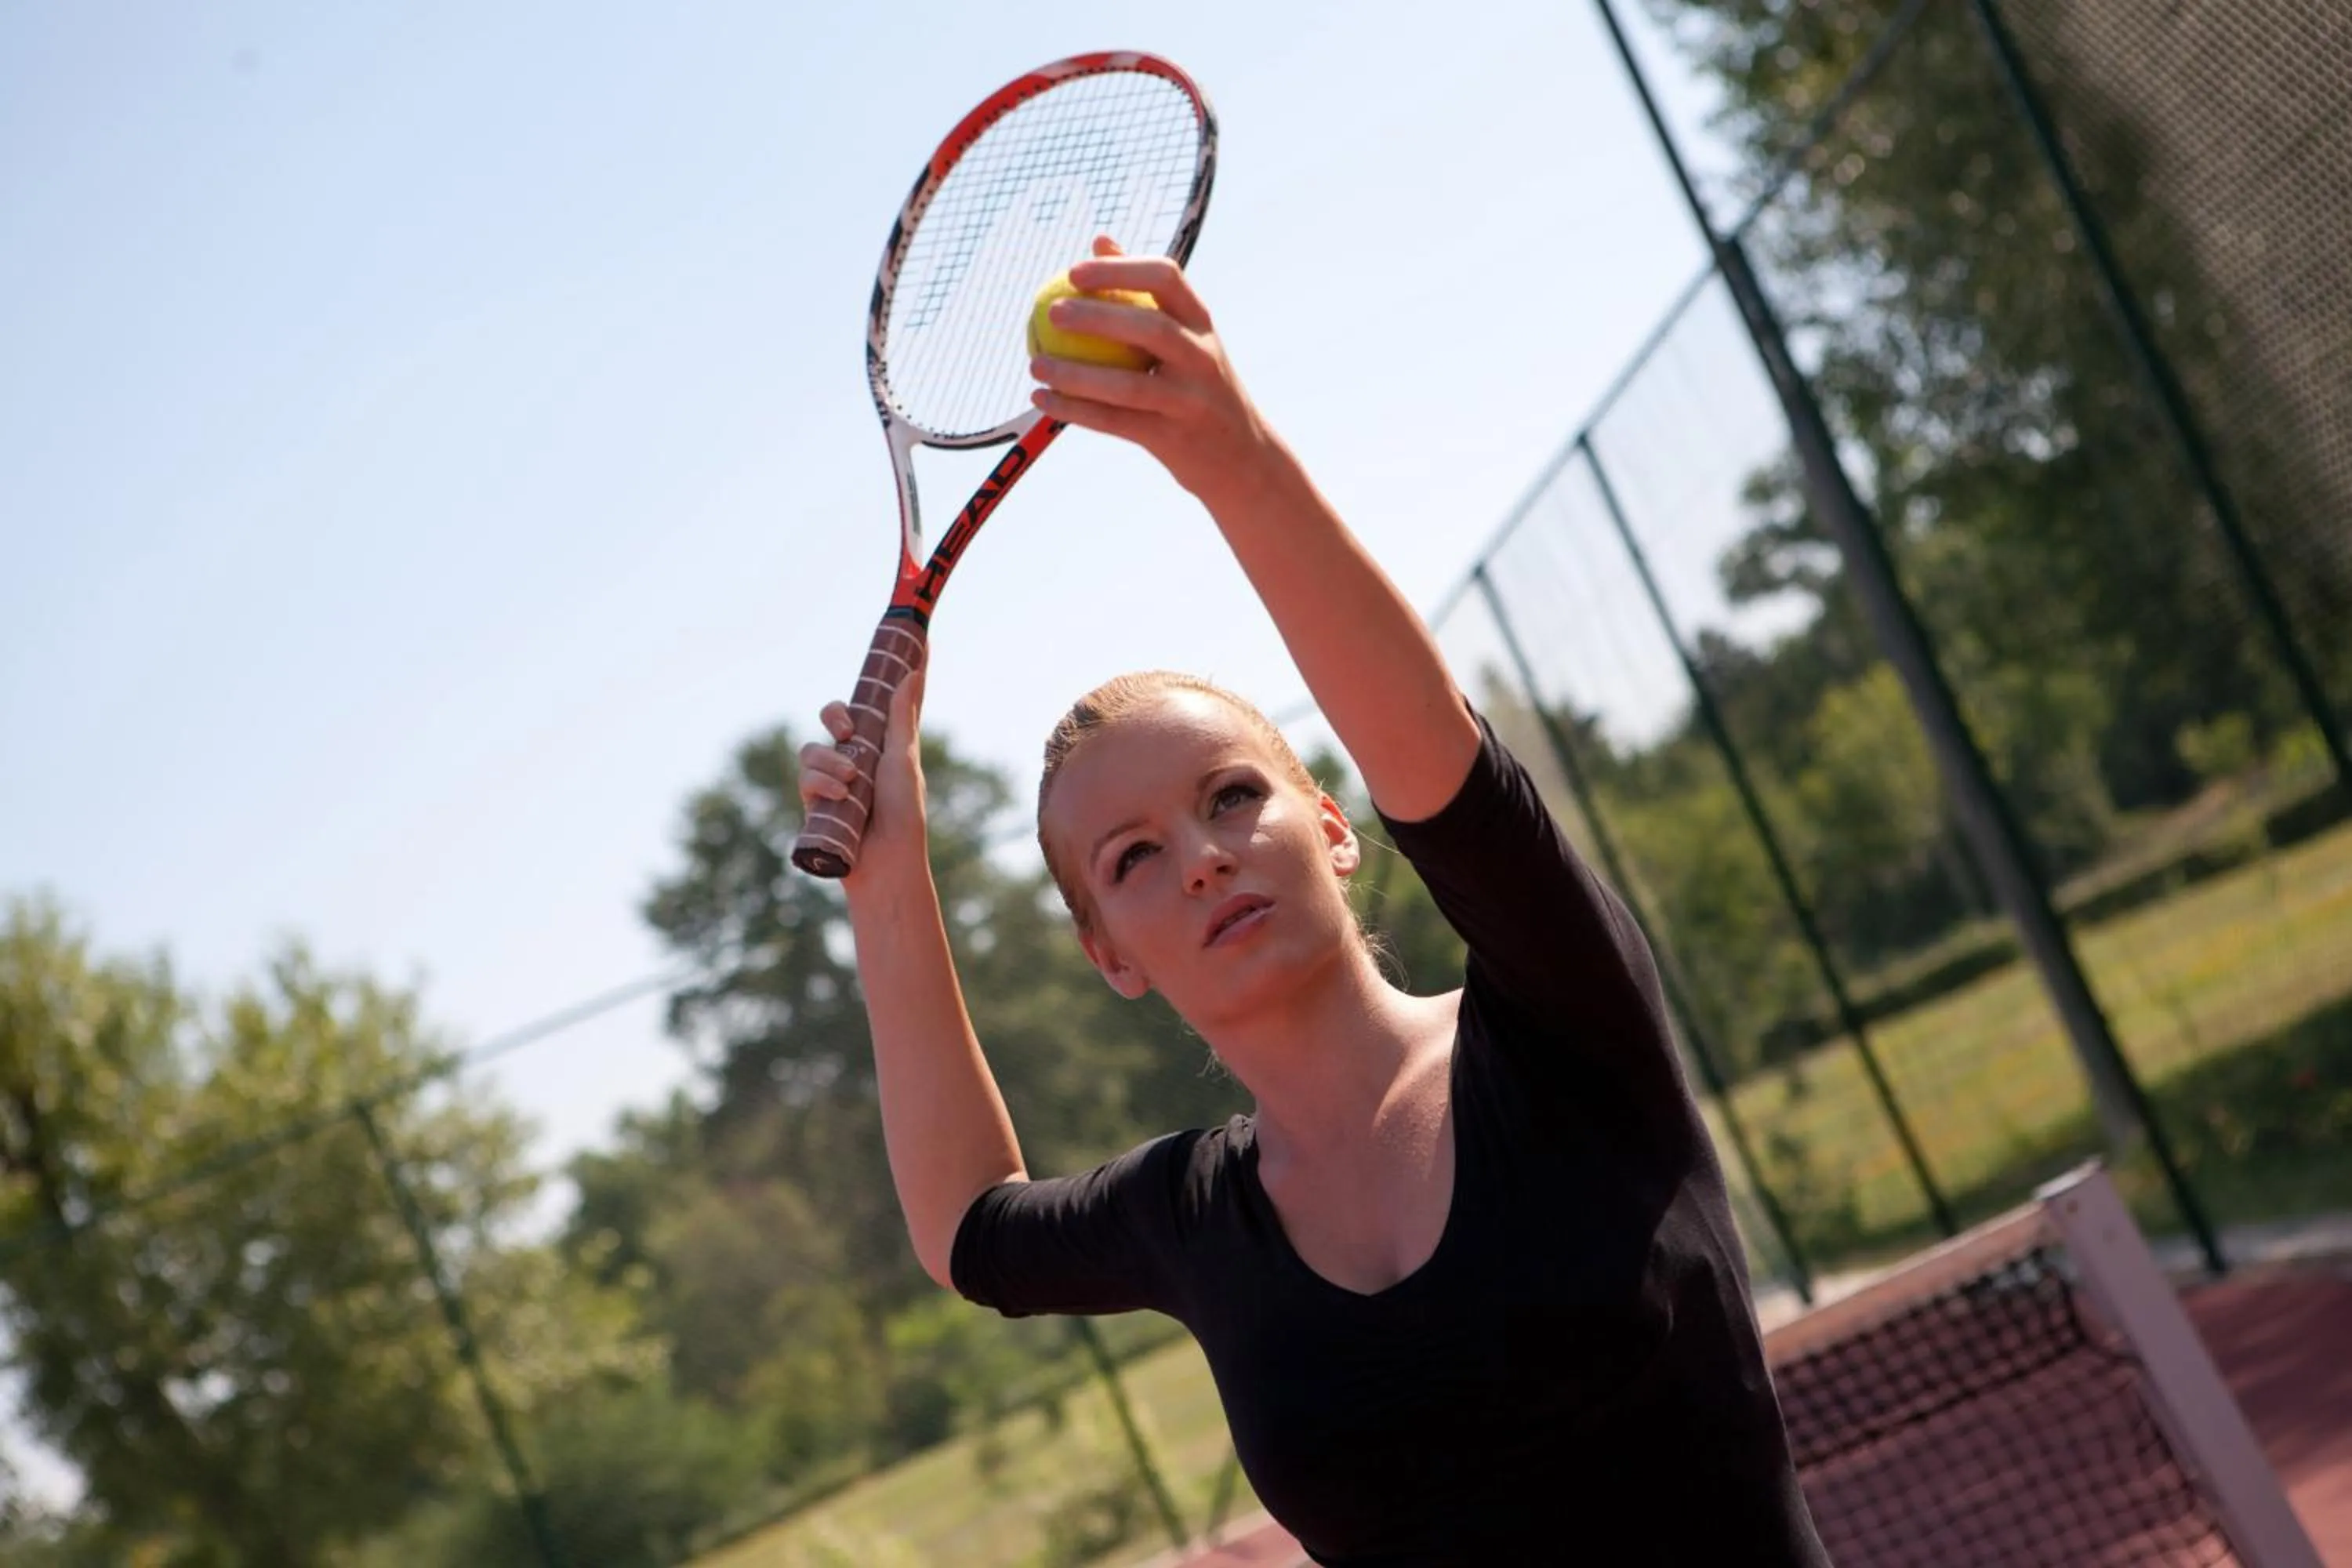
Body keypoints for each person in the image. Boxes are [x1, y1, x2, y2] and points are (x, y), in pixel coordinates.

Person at [797, 239, 1829, 1565]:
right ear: (1110, 957)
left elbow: (1452, 778)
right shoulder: (1192, 1218)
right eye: (1133, 860)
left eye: (1232, 797)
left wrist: (1234, 461)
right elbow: (967, 1231)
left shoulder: (1559, 1029)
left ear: (1333, 829)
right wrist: (888, 881)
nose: (1202, 857)